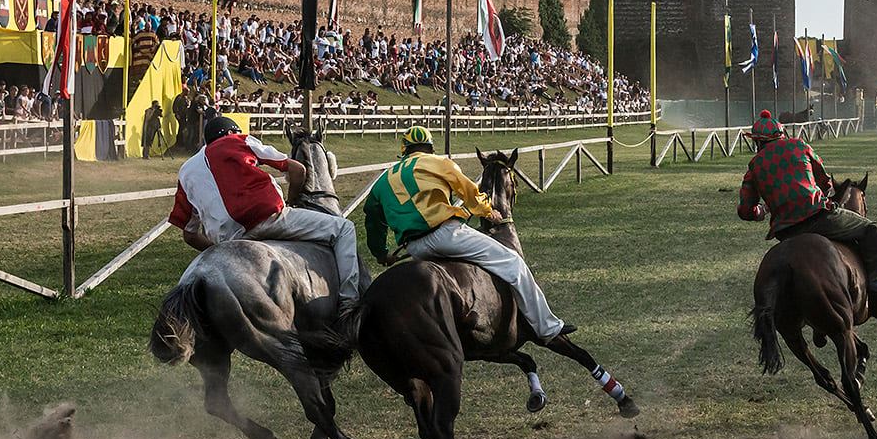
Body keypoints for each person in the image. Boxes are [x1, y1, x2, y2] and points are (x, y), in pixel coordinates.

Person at [362, 124, 575, 341]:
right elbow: (469, 190)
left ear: (404, 149)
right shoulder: (439, 162)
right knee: (514, 264)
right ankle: (548, 327)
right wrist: (487, 210)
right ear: (430, 147)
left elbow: (373, 221)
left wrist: (381, 253)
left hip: (416, 248)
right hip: (447, 236)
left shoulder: (383, 180)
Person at [167, 115, 361, 317]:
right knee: (344, 229)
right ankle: (349, 301)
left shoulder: (186, 171)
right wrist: (292, 200)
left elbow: (189, 235)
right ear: (232, 133)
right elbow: (298, 170)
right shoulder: (239, 140)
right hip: (269, 219)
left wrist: (219, 250)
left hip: (229, 240)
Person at [737, 109, 877, 306]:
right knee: (872, 229)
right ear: (782, 134)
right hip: (818, 217)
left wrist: (761, 211)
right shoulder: (800, 146)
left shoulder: (753, 166)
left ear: (757, 141)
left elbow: (746, 211)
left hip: (786, 232)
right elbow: (825, 182)